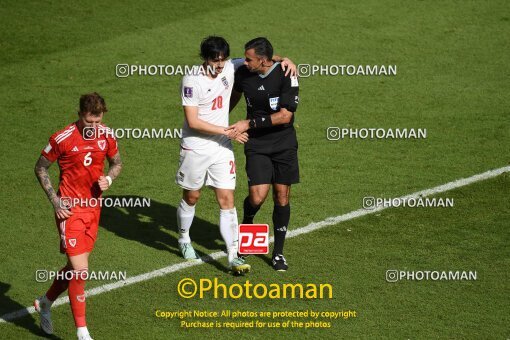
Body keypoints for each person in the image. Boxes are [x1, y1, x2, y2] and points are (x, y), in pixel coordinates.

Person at [175, 36, 296, 275]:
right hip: (196, 145)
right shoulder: (191, 80)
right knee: (192, 196)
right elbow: (193, 121)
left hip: (221, 146)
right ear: (205, 58)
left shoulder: (233, 66)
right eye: (214, 60)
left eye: (222, 60)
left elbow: (265, 61)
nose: (219, 65)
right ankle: (184, 239)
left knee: (226, 200)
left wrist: (286, 60)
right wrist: (229, 131)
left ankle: (233, 256)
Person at [33, 93, 122, 340]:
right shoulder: (62, 138)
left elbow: (117, 162)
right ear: (80, 114)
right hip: (70, 210)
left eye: (98, 121)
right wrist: (55, 200)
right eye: (89, 122)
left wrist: (110, 179)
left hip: (94, 209)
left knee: (74, 269)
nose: (94, 128)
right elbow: (40, 167)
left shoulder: (107, 134)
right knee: (81, 271)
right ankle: (82, 333)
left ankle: (46, 301)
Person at [229, 37, 300, 272]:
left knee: (281, 196)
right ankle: (248, 222)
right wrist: (222, 115)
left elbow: (285, 116)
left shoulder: (287, 74)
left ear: (262, 60)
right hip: (257, 144)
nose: (245, 62)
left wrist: (247, 122)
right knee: (257, 197)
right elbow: (235, 92)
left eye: (250, 59)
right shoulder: (243, 71)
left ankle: (278, 253)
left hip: (283, 143)